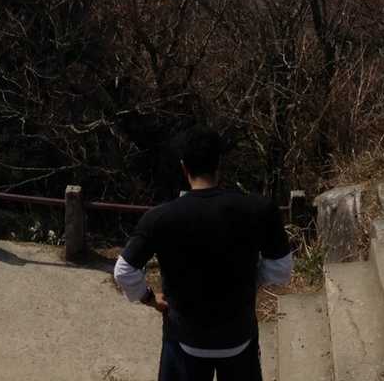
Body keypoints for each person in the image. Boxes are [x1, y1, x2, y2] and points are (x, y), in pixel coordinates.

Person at [113, 129, 295, 381]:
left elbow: (124, 271)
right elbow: (281, 270)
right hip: (239, 336)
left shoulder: (160, 218)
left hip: (184, 338)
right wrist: (251, 280)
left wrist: (149, 298)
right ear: (219, 164)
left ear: (183, 167)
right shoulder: (260, 209)